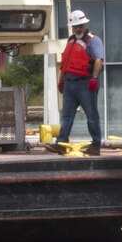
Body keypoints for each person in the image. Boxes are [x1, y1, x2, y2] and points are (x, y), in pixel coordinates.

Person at [46, 9, 104, 156]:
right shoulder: (71, 40)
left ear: (85, 24)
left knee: (92, 116)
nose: (78, 28)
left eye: (80, 25)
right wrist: (61, 80)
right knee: (66, 116)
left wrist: (94, 79)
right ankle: (61, 143)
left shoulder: (93, 40)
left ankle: (96, 145)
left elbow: (99, 61)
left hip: (85, 84)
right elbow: (65, 64)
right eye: (75, 26)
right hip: (69, 84)